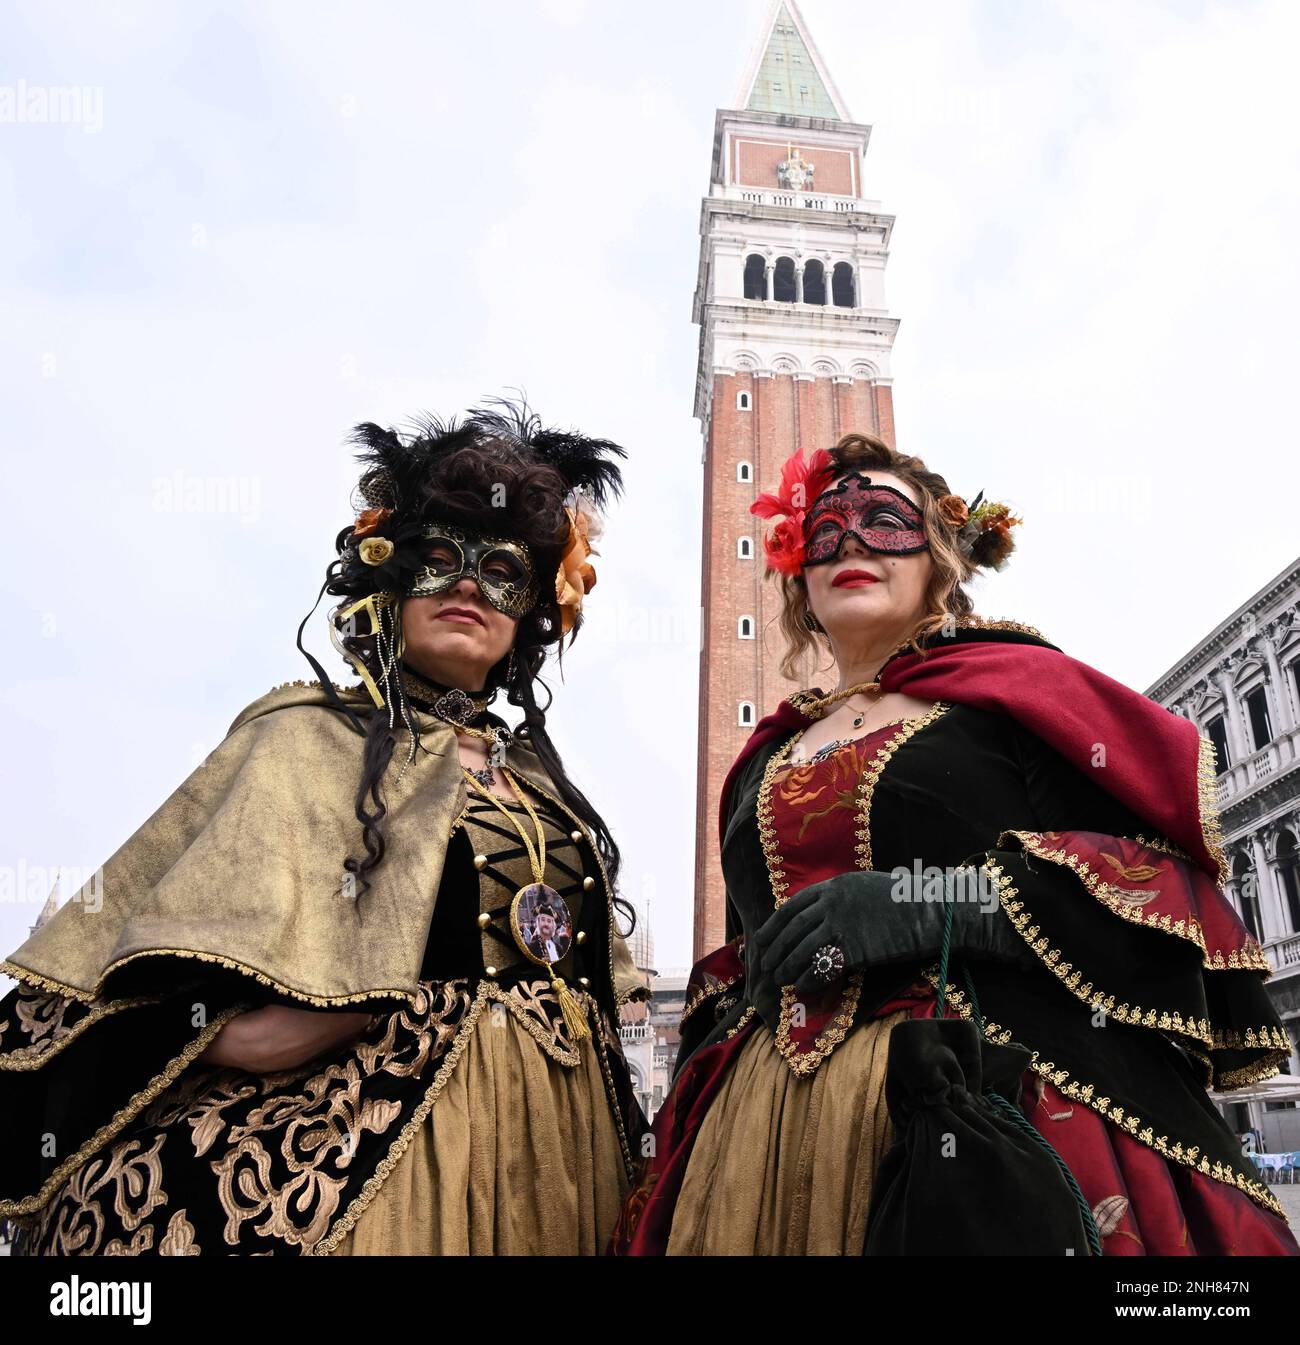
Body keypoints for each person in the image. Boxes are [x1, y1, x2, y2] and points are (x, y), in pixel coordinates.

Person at [611, 430, 1299, 1256]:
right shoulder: (764, 754)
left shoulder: (1014, 699)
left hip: (981, 1090)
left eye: (885, 521)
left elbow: (1144, 887)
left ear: (938, 551)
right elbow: (746, 943)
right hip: (761, 1128)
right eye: (824, 531)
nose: (852, 542)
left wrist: (928, 906)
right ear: (798, 572)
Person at [0, 398, 649, 1255]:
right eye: (440, 557)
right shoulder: (302, 735)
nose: (467, 584)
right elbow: (108, 958)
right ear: (388, 576)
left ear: (528, 611)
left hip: (568, 1144)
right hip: (379, 1142)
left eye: (500, 570)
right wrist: (225, 1034)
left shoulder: (539, 781)